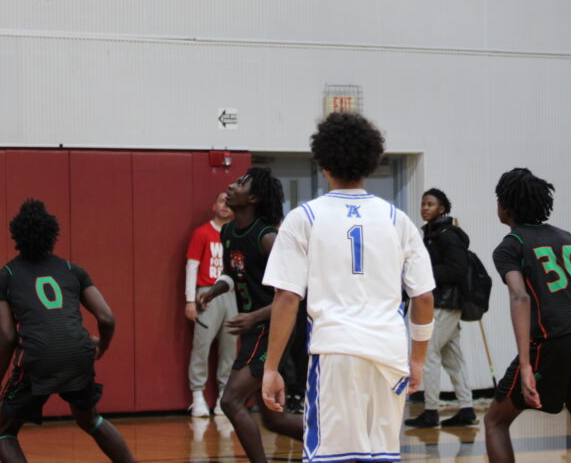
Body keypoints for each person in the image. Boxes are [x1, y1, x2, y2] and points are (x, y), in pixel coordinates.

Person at [260, 112, 436, 463]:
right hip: (389, 354)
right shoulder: (397, 220)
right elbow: (424, 297)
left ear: (323, 163)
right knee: (381, 456)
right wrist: (418, 360)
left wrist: (271, 367)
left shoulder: (304, 218)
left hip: (336, 352)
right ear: (370, 161)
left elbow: (287, 297)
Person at [0, 199, 135, 463]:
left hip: (38, 357)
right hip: (78, 353)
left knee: (4, 430)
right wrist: (102, 345)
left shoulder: (2, 277)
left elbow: (7, 335)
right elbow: (107, 318)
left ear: (16, 236)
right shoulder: (72, 270)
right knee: (90, 419)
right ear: (52, 235)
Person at [484, 168, 571, 463]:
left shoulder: (511, 245)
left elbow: (519, 296)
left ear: (505, 206)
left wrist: (525, 364)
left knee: (495, 422)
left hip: (554, 339)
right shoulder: (567, 238)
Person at [195, 169, 301, 462]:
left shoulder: (267, 238)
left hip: (272, 327)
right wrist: (212, 292)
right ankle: (337, 449)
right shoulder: (229, 231)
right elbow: (232, 273)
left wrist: (254, 317)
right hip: (255, 329)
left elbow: (293, 294)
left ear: (253, 198)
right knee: (275, 420)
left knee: (230, 401)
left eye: (241, 183)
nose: (231, 185)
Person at [405, 187, 477, 429]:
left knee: (428, 355)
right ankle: (467, 409)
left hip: (445, 304)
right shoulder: (430, 234)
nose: (425, 208)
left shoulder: (448, 235)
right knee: (452, 357)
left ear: (442, 209)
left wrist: (423, 273)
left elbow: (457, 269)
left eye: (431, 204)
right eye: (423, 203)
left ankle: (431, 411)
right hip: (444, 303)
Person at [184, 190, 237, 417]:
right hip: (206, 293)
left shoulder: (236, 234)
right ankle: (197, 395)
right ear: (214, 205)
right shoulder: (202, 233)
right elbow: (192, 266)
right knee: (202, 345)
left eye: (229, 202)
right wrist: (190, 299)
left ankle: (223, 396)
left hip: (232, 294)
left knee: (229, 347)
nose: (225, 205)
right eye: (221, 201)